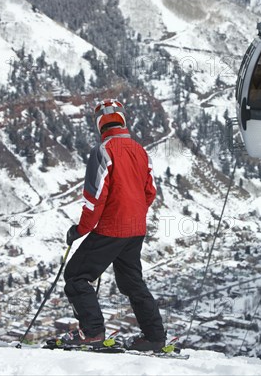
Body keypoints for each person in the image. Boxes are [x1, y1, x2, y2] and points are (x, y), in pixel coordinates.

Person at [61, 98, 165, 351]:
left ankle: (92, 332)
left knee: (76, 276)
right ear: (123, 120)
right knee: (132, 283)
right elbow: (150, 192)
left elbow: (95, 198)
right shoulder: (141, 151)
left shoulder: (103, 151)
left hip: (111, 228)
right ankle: (154, 337)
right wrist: (133, 214)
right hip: (135, 229)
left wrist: (80, 230)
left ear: (99, 125)